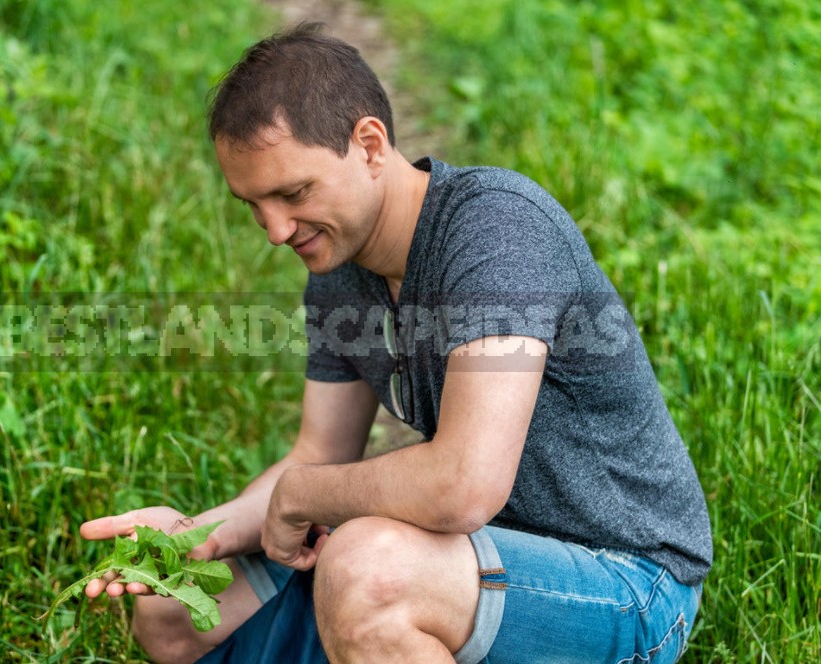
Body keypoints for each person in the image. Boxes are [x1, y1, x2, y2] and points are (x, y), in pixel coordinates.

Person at [78, 23, 712, 664]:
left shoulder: (495, 229)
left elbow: (463, 484)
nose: (274, 231)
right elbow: (320, 452)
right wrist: (197, 536)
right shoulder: (337, 276)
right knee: (172, 611)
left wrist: (304, 495)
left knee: (365, 570)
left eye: (293, 193)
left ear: (370, 144)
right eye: (253, 204)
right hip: (467, 566)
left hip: (626, 582)